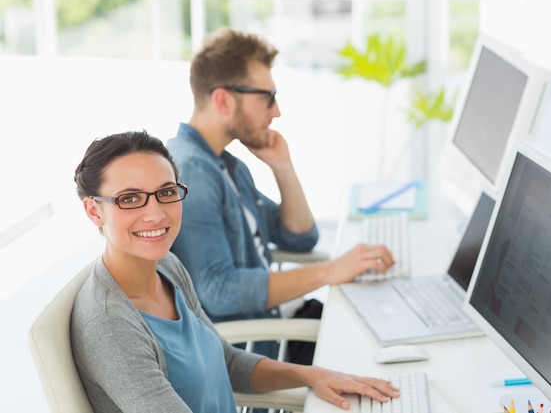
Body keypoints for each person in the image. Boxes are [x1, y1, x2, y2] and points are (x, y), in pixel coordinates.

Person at [70, 130, 399, 412]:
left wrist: (312, 375)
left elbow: (226, 362)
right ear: (93, 211)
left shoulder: (165, 266)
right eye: (130, 199)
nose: (156, 214)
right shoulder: (110, 324)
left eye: (166, 193)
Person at [166, 27, 394, 364]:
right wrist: (329, 272)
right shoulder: (192, 173)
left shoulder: (225, 164)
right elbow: (219, 291)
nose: (276, 112)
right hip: (264, 348)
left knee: (386, 329)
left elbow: (300, 237)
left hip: (286, 322)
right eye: (267, 97)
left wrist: (282, 167)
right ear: (223, 100)